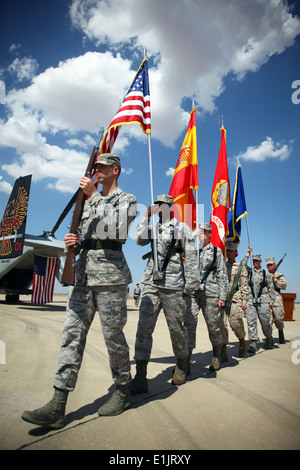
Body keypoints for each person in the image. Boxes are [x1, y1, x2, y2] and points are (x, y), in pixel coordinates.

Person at [22, 153, 137, 429]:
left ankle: (123, 390)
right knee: (71, 336)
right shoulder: (86, 202)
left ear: (115, 170)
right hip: (83, 277)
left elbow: (116, 230)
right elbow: (87, 234)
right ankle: (57, 403)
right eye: (95, 167)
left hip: (110, 279)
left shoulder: (127, 200)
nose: (96, 171)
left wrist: (94, 196)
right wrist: (73, 241)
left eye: (102, 167)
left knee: (113, 338)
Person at [129, 194, 199, 393]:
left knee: (176, 328)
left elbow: (192, 257)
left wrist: (190, 286)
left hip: (173, 285)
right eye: (157, 205)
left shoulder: (181, 228)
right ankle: (141, 375)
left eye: (162, 205)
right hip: (151, 283)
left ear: (170, 207)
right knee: (144, 328)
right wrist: (145, 217)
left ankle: (181, 364)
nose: (159, 208)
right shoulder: (153, 228)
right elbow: (139, 240)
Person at [184, 223, 229, 372]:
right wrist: (192, 235)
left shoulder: (216, 252)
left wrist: (223, 296)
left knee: (213, 326)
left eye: (206, 232)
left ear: (210, 234)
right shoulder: (192, 251)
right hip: (193, 294)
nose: (203, 234)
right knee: (189, 325)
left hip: (210, 293)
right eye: (200, 231)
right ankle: (186, 360)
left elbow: (222, 276)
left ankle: (217, 354)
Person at [225, 243, 251, 358]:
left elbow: (244, 285)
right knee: (221, 326)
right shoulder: (222, 267)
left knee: (235, 323)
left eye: (231, 250)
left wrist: (245, 302)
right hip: (221, 299)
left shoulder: (241, 268)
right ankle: (222, 350)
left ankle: (241, 340)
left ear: (236, 253)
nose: (229, 252)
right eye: (228, 250)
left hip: (235, 299)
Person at [245, 254, 275, 354]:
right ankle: (253, 342)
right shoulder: (249, 272)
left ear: (260, 262)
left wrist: (272, 300)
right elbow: (242, 264)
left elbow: (271, 287)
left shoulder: (265, 273)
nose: (255, 262)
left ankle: (269, 337)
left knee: (265, 322)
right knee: (251, 322)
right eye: (253, 261)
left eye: (257, 261)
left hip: (263, 300)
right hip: (251, 300)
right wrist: (247, 254)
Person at [266, 257, 287, 344]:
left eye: (271, 265)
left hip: (277, 299)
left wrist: (274, 279)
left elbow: (283, 286)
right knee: (268, 321)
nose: (270, 266)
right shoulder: (265, 274)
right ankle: (269, 338)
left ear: (274, 265)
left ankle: (280, 330)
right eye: (268, 265)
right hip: (267, 299)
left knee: (278, 319)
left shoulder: (280, 275)